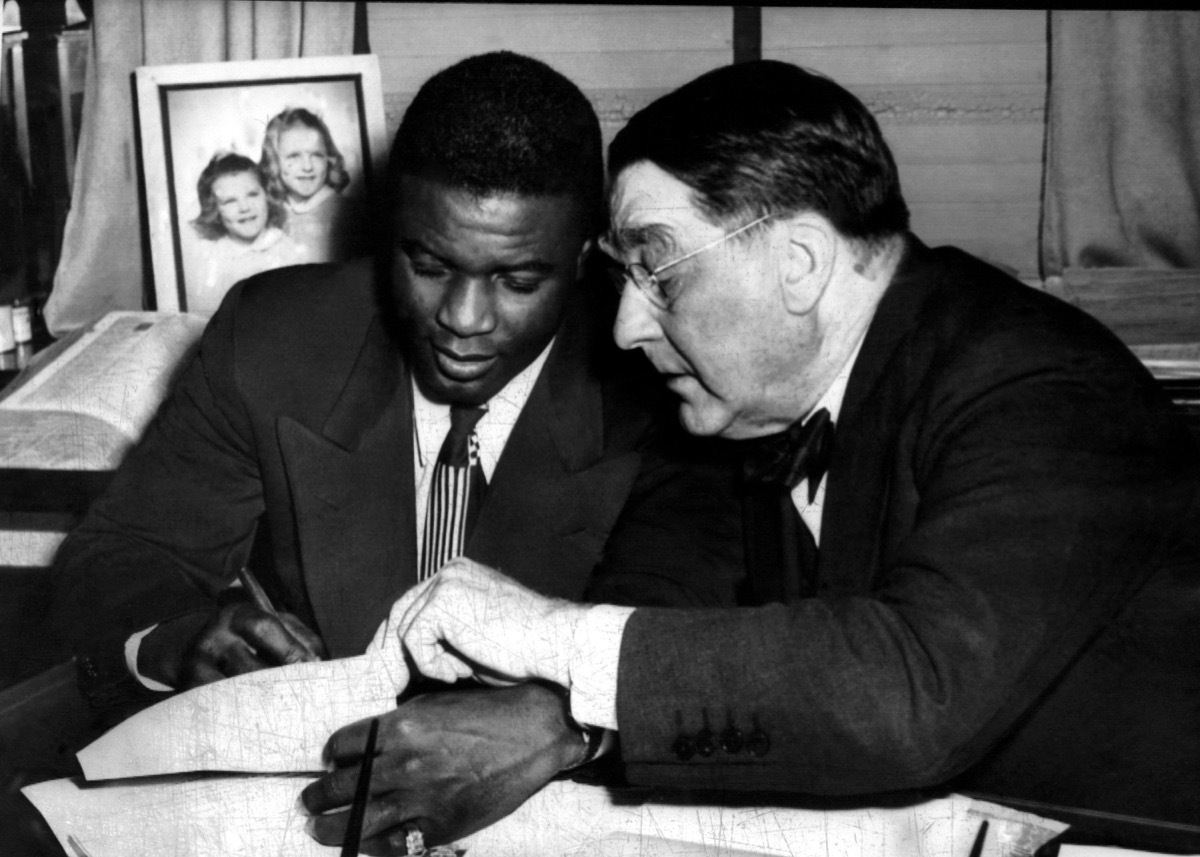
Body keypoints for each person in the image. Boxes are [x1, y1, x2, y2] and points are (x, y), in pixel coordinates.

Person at [356, 60, 1200, 849]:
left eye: (659, 271)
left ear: (799, 261)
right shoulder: (745, 410)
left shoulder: (1044, 386)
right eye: (624, 278)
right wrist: (558, 715)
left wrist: (543, 635)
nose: (625, 326)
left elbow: (911, 692)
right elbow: (659, 599)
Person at [47, 52, 743, 852]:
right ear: (389, 234)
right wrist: (174, 633)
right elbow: (118, 554)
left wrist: (567, 719)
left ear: (587, 261)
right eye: (429, 263)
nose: (464, 317)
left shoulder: (664, 382)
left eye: (519, 278)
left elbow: (688, 620)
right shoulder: (273, 337)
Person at [189, 152, 308, 316]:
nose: (244, 207)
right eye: (230, 201)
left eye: (252, 195)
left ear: (267, 195)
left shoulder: (289, 251)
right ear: (215, 209)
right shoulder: (214, 258)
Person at [259, 107, 362, 261]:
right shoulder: (268, 213)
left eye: (316, 155)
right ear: (274, 161)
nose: (307, 167)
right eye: (294, 156)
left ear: (329, 158)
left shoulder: (351, 215)